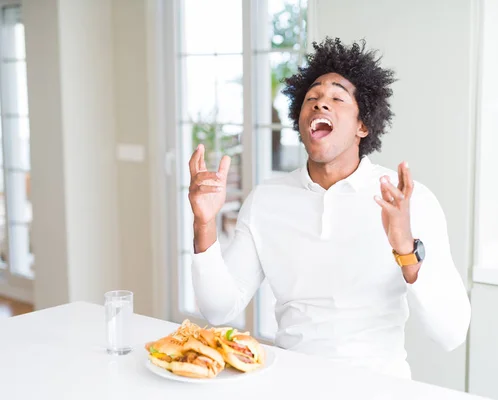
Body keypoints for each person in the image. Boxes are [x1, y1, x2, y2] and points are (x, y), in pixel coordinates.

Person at [188, 37, 471, 379]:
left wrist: (405, 249)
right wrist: (204, 223)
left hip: (379, 386)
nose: (321, 104)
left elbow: (452, 333)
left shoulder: (408, 201)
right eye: (312, 98)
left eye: (338, 98)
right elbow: (219, 309)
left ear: (362, 126)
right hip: (290, 382)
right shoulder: (267, 199)